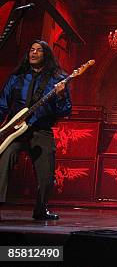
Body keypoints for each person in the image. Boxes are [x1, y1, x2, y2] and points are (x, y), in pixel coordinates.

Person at [0, 40, 72, 220]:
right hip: (14, 131)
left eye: (39, 50)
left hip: (41, 130)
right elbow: (3, 104)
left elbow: (65, 110)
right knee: (4, 159)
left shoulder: (58, 79)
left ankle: (41, 209)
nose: (34, 53)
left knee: (47, 172)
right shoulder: (17, 77)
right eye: (32, 50)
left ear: (46, 55)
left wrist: (61, 95)